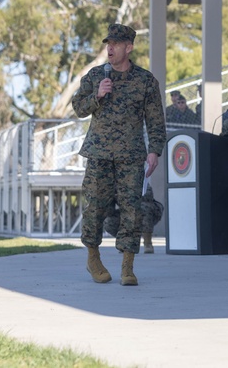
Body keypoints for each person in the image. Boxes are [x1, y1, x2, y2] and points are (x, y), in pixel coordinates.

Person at [72, 22, 166, 286]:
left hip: (131, 156)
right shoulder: (94, 76)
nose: (109, 48)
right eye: (108, 44)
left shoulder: (145, 81)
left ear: (129, 47)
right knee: (95, 209)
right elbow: (78, 107)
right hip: (99, 154)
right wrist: (97, 96)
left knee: (131, 211)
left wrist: (155, 151)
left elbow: (156, 121)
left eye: (115, 44)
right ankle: (93, 258)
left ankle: (128, 266)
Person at [103, 183, 165, 254]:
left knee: (144, 207)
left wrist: (126, 196)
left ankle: (148, 243)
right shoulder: (113, 184)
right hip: (127, 212)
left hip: (148, 211)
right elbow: (109, 211)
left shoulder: (138, 177)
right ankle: (125, 241)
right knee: (108, 221)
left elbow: (148, 197)